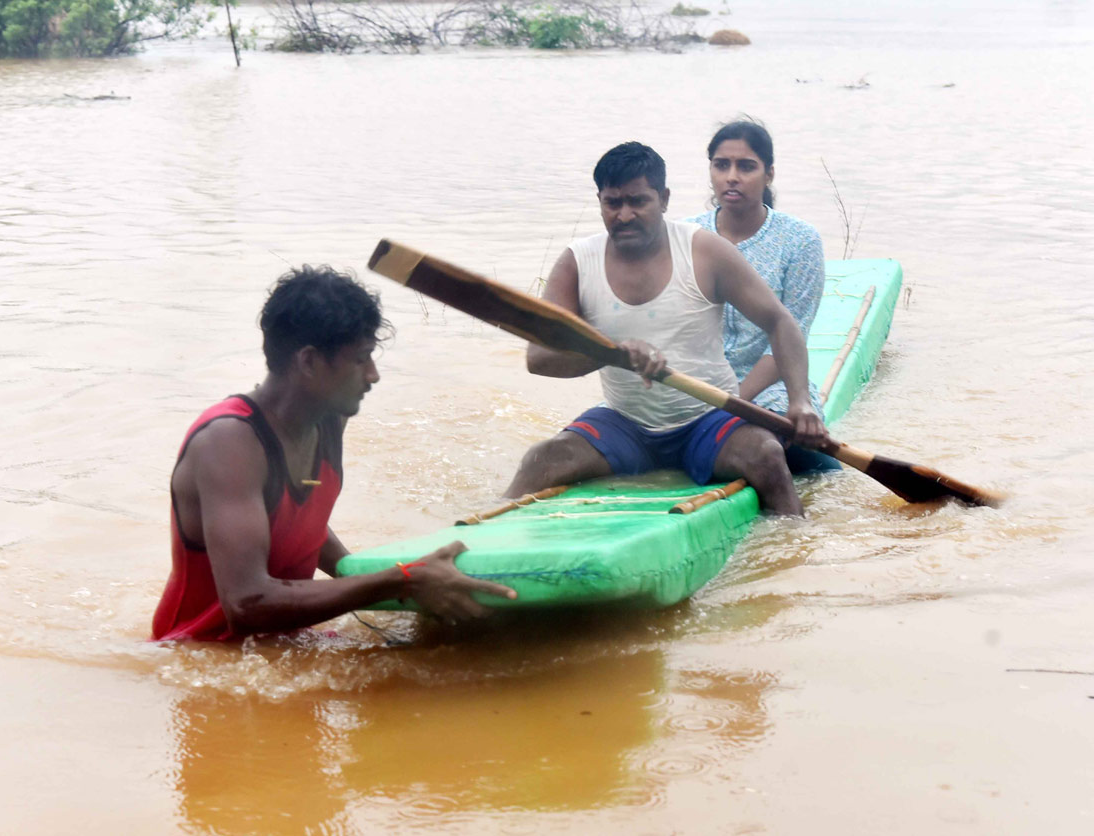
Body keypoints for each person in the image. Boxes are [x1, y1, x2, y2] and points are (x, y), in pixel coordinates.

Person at [152, 265, 515, 641]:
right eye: (361, 358)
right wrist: (402, 580)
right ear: (308, 362)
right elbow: (247, 604)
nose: (373, 375)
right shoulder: (229, 443)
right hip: (200, 659)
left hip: (283, 643)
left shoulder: (329, 417)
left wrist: (357, 575)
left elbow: (293, 521)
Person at [502, 142, 827, 516]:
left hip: (707, 418)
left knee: (768, 456)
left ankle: (794, 548)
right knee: (540, 460)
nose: (624, 215)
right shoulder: (577, 262)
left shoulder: (705, 251)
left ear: (665, 199)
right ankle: (478, 538)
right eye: (612, 203)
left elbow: (780, 322)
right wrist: (610, 353)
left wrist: (799, 400)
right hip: (625, 423)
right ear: (600, 201)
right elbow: (539, 359)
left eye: (638, 201)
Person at [688, 119, 839, 473]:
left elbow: (789, 334)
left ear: (769, 174)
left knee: (815, 465)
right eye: (721, 165)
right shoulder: (686, 235)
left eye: (746, 166)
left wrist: (734, 402)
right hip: (697, 384)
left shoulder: (799, 241)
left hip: (771, 388)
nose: (732, 176)